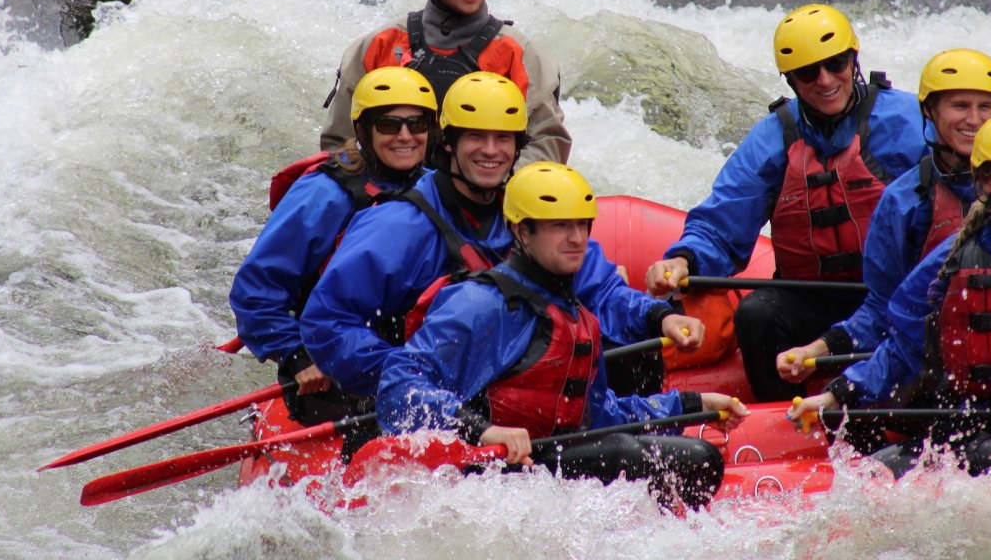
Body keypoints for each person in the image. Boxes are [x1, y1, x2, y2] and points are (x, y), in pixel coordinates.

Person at [301, 73, 703, 443]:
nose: (491, 151)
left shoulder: (529, 216)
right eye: (477, 137)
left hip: (510, 399)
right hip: (424, 403)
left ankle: (631, 442)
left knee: (631, 351)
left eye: (504, 138)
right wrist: (425, 373)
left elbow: (601, 289)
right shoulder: (398, 226)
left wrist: (659, 317)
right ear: (449, 142)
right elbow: (327, 322)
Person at [377, 162, 748, 509]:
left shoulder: (578, 316)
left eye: (582, 225)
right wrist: (483, 431)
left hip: (546, 466)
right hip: (483, 472)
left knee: (697, 459)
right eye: (559, 226)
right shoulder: (481, 305)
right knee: (632, 453)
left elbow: (600, 415)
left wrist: (690, 405)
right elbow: (399, 383)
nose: (576, 239)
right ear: (522, 231)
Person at [646, 3, 928, 402]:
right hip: (810, 296)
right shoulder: (774, 137)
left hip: (891, 291)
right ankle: (778, 419)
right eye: (809, 72)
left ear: (854, 59)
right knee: (757, 314)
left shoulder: (907, 121)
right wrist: (685, 259)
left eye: (836, 63)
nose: (826, 80)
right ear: (791, 80)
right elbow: (722, 220)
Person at [791, 113, 991, 480]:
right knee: (882, 472)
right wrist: (839, 392)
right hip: (974, 417)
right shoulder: (954, 255)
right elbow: (906, 343)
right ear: (985, 181)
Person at [779, 49, 991, 383]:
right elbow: (884, 309)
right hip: (943, 367)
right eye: (960, 106)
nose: (974, 120)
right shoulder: (904, 201)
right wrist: (820, 349)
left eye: (985, 107)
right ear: (928, 110)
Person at [230, 67, 437, 425]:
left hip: (411, 366)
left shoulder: (437, 189)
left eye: (417, 125)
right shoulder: (323, 195)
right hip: (331, 374)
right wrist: (296, 356)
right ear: (362, 130)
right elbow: (255, 290)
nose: (405, 136)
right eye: (389, 125)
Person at [320, 0, 570, 167]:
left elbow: (546, 145)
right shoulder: (377, 47)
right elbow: (339, 143)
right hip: (391, 195)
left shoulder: (523, 56)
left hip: (482, 197)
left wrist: (489, 188)